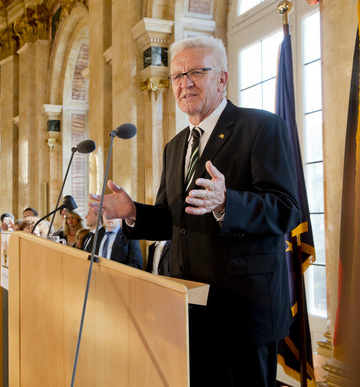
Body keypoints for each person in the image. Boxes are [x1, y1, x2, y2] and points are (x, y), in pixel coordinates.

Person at [89, 35, 300, 386]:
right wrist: (132, 212)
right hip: (187, 309)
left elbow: (286, 210)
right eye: (177, 76)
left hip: (243, 314)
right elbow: (173, 220)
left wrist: (226, 203)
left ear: (222, 79)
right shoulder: (175, 147)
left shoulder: (261, 128)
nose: (185, 83)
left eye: (197, 72)